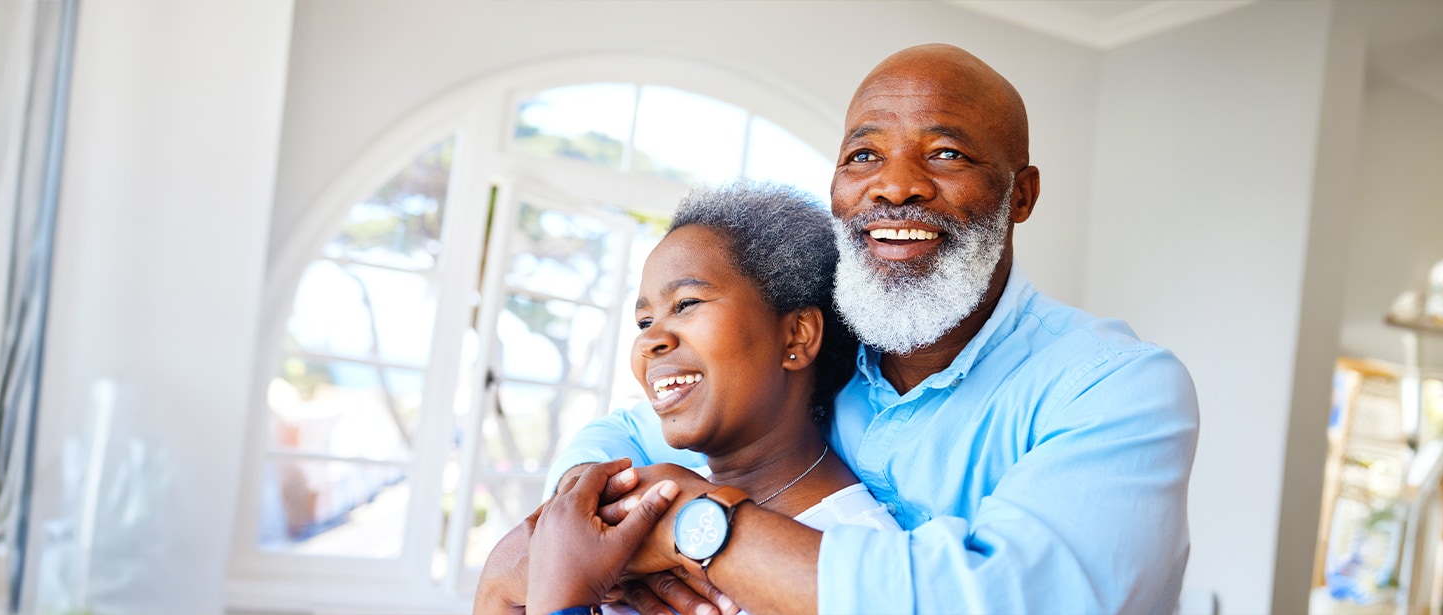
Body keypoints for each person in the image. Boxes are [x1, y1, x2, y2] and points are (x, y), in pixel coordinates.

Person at [483, 43, 1201, 615]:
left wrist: (690, 527)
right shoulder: (818, 350)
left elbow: (994, 601)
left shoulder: (1114, 386)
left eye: (945, 152)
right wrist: (580, 524)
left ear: (1023, 194)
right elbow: (625, 435)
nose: (895, 185)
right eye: (864, 155)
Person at [479, 181, 899, 615]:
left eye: (686, 303)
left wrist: (564, 592)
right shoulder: (636, 508)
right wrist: (500, 578)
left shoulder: (858, 565)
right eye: (644, 322)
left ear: (797, 335)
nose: (651, 340)